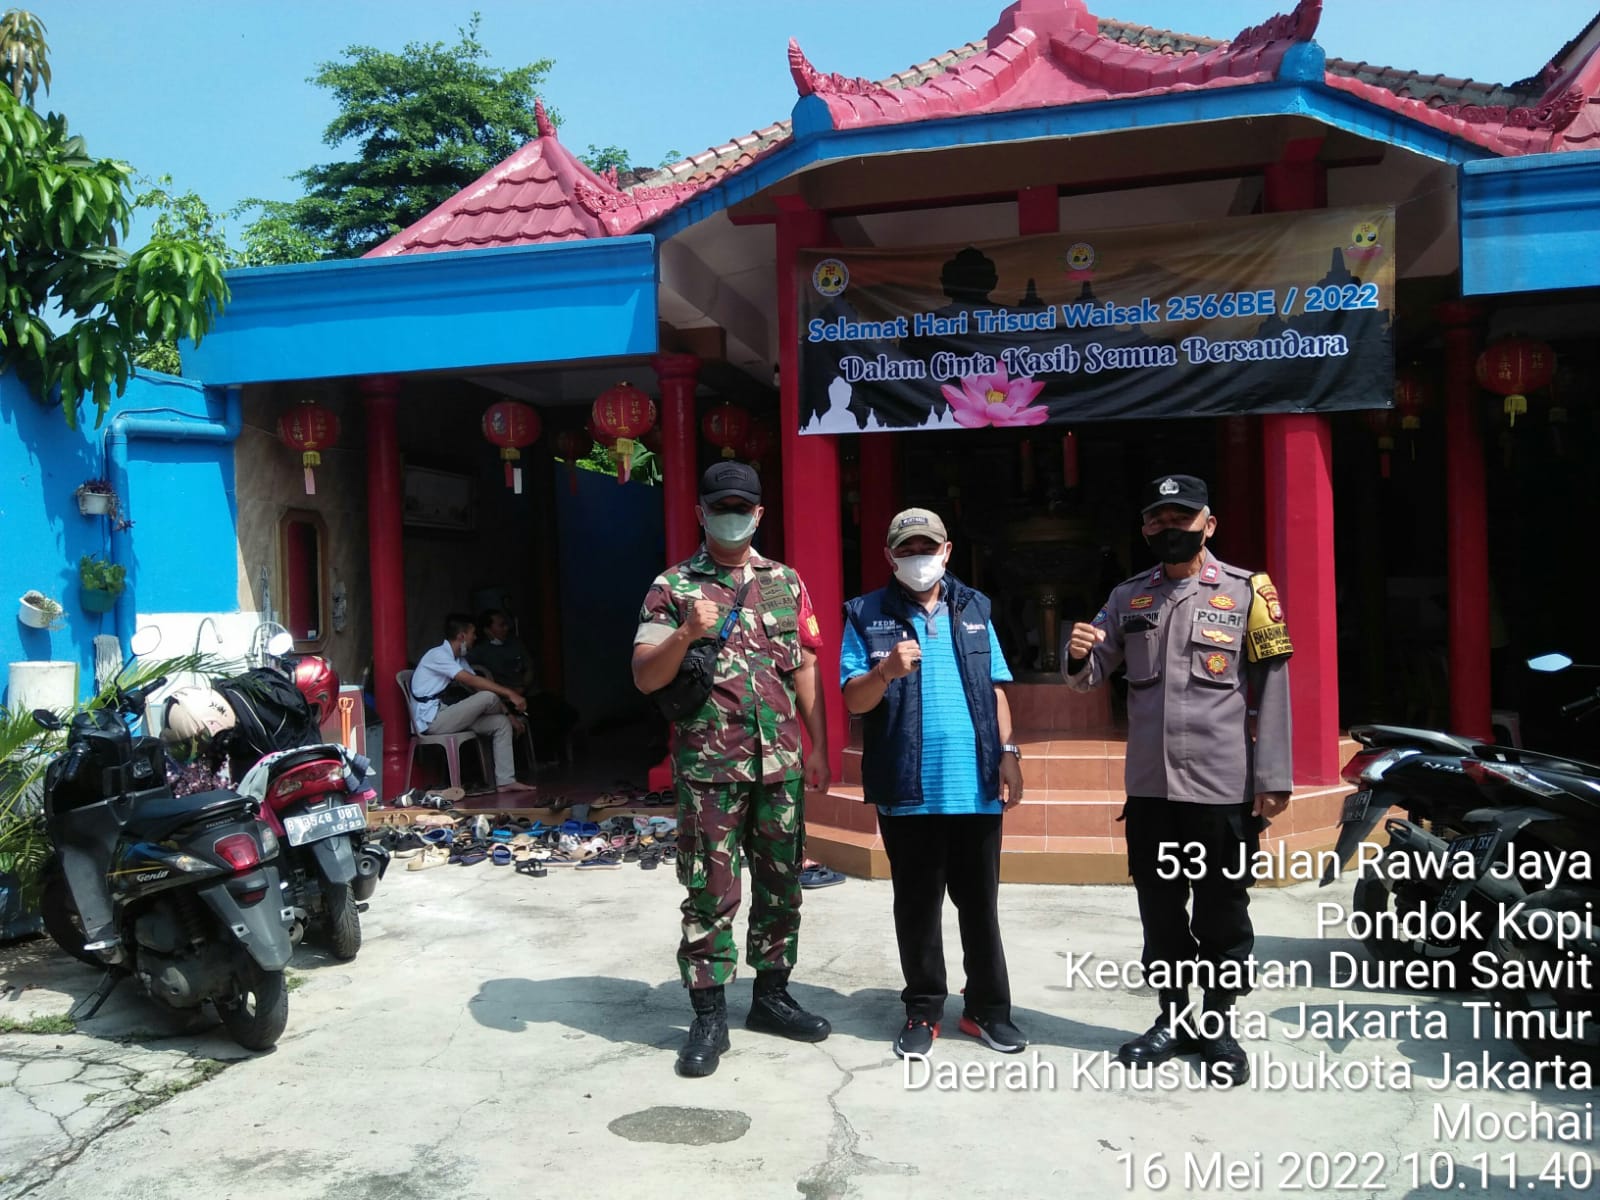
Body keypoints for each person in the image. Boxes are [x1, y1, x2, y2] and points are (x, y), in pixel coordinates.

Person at [1063, 475, 1292, 1086]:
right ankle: (1171, 1018)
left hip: (1222, 789)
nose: (1170, 529)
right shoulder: (1127, 597)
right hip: (1152, 791)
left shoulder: (1251, 593)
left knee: (1222, 913)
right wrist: (1081, 653)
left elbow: (1272, 688)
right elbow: (1091, 676)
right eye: (1158, 520)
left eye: (1182, 518)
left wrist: (1273, 777)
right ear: (1145, 530)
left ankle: (1216, 1023)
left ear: (1208, 525)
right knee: (1160, 912)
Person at [632, 461, 832, 1078]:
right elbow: (645, 676)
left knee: (781, 884)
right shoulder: (672, 587)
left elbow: (802, 667)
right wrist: (686, 634)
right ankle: (709, 1014)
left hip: (781, 764)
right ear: (701, 514)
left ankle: (770, 998)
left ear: (759, 514)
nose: (732, 515)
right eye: (721, 506)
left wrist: (818, 745)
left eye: (742, 507)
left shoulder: (785, 582)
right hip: (709, 768)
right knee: (709, 893)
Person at [841, 508, 1027, 1059]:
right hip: (907, 788)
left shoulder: (975, 608)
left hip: (975, 788)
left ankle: (988, 1011)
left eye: (928, 547)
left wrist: (1009, 753)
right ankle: (923, 1009)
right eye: (907, 549)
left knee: (980, 907)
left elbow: (995, 689)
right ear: (889, 556)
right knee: (917, 907)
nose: (918, 558)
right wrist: (884, 673)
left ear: (947, 551)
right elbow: (854, 699)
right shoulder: (864, 613)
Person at [409, 613, 534, 795]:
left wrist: (510, 716)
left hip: (448, 715)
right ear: (462, 636)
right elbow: (471, 681)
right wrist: (510, 694)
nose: (475, 638)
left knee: (501, 723)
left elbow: (475, 684)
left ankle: (505, 781)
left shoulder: (459, 659)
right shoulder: (438, 655)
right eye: (473, 634)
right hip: (432, 721)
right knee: (488, 697)